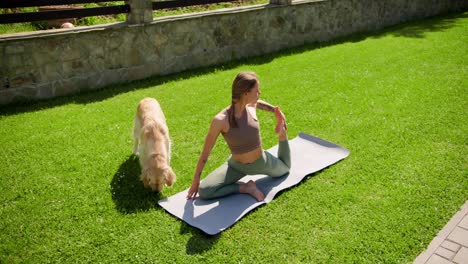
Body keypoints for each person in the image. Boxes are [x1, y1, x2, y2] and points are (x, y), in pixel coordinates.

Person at [186, 71, 290, 202]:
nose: (259, 93)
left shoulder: (250, 105)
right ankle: (246, 188)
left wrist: (276, 111)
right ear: (246, 93)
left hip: (261, 162)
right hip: (236, 166)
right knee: (205, 191)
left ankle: (282, 134)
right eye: (257, 91)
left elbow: (258, 103)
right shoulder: (220, 120)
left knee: (285, 169)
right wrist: (196, 180)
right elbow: (206, 152)